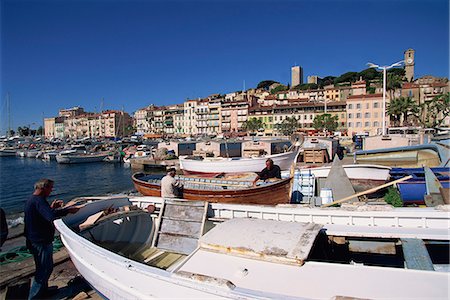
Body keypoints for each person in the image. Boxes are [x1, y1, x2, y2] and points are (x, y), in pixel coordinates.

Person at [24, 179, 79, 299]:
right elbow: (51, 216)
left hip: (36, 239)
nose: (51, 191)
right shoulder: (38, 201)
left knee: (44, 268)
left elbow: (43, 214)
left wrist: (51, 207)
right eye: (50, 188)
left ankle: (43, 291)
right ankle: (34, 297)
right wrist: (68, 210)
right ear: (43, 188)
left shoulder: (33, 200)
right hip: (40, 241)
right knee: (43, 270)